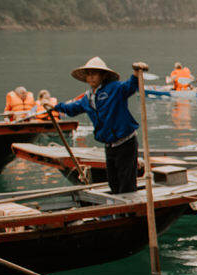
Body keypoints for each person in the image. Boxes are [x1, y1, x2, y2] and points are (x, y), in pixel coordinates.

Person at [45, 57, 144, 194]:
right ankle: (118, 210)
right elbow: (73, 109)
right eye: (88, 74)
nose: (91, 77)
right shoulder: (88, 97)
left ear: (103, 75)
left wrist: (136, 73)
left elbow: (130, 87)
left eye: (94, 74)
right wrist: (56, 107)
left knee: (126, 184)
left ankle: (129, 211)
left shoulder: (115, 88)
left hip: (125, 143)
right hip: (109, 145)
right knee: (113, 183)